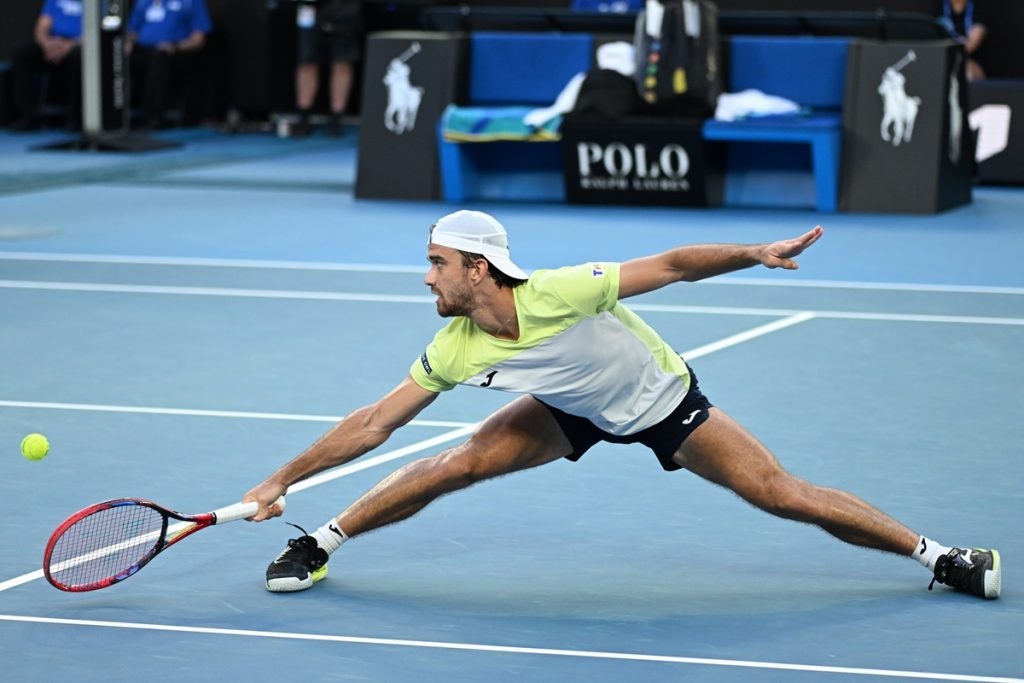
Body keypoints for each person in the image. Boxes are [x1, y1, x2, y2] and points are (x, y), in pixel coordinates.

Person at [242, 210, 1002, 600]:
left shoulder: (563, 290)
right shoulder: (457, 346)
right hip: (571, 406)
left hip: (660, 401)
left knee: (777, 491)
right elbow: (375, 422)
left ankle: (944, 557)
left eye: (437, 264)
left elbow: (670, 265)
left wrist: (753, 255)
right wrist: (282, 478)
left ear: (479, 268)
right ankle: (324, 543)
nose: (427, 278)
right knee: (458, 461)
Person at [125, 0, 212, 129]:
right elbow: (132, 32)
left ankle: (153, 115)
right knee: (114, 56)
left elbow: (199, 40)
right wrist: (128, 44)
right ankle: (111, 115)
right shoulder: (143, 2)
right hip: (143, 49)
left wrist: (176, 46)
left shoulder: (191, 2)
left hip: (175, 51)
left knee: (160, 56)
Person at [291, 0, 364, 137]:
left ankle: (336, 119)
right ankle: (304, 117)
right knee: (306, 62)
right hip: (310, 9)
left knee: (341, 62)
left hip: (344, 10)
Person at [8, 0, 83, 131]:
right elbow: (41, 28)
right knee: (22, 52)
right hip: (52, 45)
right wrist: (47, 44)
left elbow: (98, 32)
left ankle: (75, 119)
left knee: (80, 56)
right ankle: (30, 117)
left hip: (78, 47)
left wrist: (69, 46)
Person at [938, 0, 987, 81]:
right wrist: (960, 42)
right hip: (945, 60)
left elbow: (972, 44)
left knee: (965, 71)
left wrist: (954, 44)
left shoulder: (977, 7)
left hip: (970, 61)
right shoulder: (940, 6)